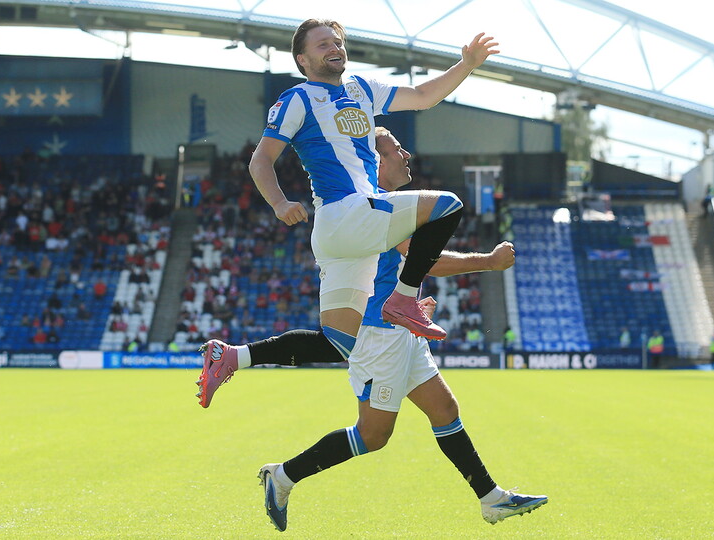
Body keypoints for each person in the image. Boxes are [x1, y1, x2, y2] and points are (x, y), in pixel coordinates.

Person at [199, 128, 546, 530]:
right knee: (373, 435)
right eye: (396, 148)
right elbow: (421, 259)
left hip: (399, 330)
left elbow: (409, 262)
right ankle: (283, 475)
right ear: (376, 162)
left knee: (445, 409)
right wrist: (487, 262)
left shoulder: (381, 208)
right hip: (380, 333)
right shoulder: (373, 206)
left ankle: (491, 499)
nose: (406, 153)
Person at [248, 18, 500, 363]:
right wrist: (278, 202)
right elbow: (261, 160)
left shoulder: (361, 88)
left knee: (337, 343)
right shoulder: (297, 99)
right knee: (448, 206)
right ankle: (404, 298)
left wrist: (466, 65)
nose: (334, 48)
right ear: (302, 60)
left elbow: (424, 97)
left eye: (337, 42)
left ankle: (234, 356)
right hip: (344, 211)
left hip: (345, 226)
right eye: (323, 44)